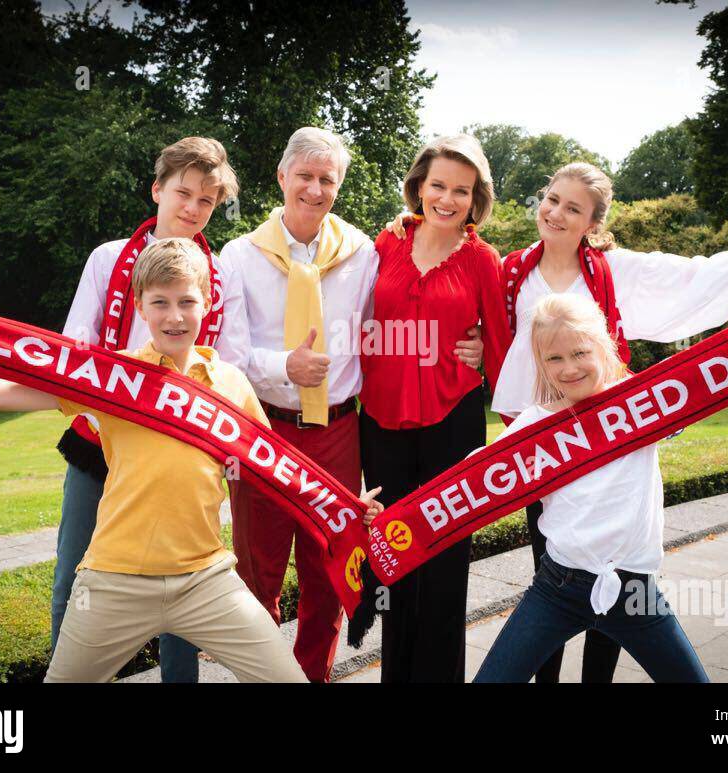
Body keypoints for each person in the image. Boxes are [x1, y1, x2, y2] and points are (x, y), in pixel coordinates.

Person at [389, 160, 728, 683]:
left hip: (615, 432)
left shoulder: (613, 269)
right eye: (552, 199)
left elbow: (698, 275)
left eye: (573, 208)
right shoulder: (512, 270)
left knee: (614, 585)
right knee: (557, 565)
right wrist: (467, 334)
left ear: (593, 223)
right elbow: (465, 311)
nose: (556, 213)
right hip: (541, 441)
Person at [0, 239, 383, 682]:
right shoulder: (108, 376)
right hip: (112, 582)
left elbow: (279, 472)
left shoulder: (230, 383)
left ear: (207, 304)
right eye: (160, 302)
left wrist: (343, 507)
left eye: (187, 301)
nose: (174, 315)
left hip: (206, 580)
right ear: (141, 306)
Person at [217, 127, 484, 682]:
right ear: (282, 178)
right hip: (262, 430)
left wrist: (469, 340)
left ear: (338, 186)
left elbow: (394, 321)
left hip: (340, 431)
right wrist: (282, 365)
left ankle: (313, 676)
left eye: (327, 179)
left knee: (331, 573)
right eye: (305, 177)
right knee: (258, 573)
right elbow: (227, 354)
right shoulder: (238, 256)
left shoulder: (364, 251)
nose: (314, 189)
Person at [55, 136, 244, 683]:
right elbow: (74, 346)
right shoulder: (109, 258)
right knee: (75, 578)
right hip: (99, 442)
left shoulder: (219, 276)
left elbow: (222, 366)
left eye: (206, 201)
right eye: (183, 193)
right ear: (157, 189)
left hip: (179, 451)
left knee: (180, 584)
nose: (192, 208)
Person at [473, 293, 708, 683]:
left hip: (635, 593)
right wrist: (394, 517)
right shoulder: (535, 425)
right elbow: (472, 479)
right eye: (554, 358)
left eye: (580, 352)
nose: (569, 369)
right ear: (541, 364)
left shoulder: (642, 403)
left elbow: (715, 375)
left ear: (603, 345)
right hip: (557, 588)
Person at [358, 134, 513, 682]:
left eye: (462, 191)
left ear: (477, 199)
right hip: (381, 423)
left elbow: (500, 346)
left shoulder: (481, 259)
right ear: (419, 186)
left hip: (454, 423)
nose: (447, 199)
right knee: (394, 556)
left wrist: (479, 357)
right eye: (439, 185)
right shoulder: (383, 245)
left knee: (446, 561)